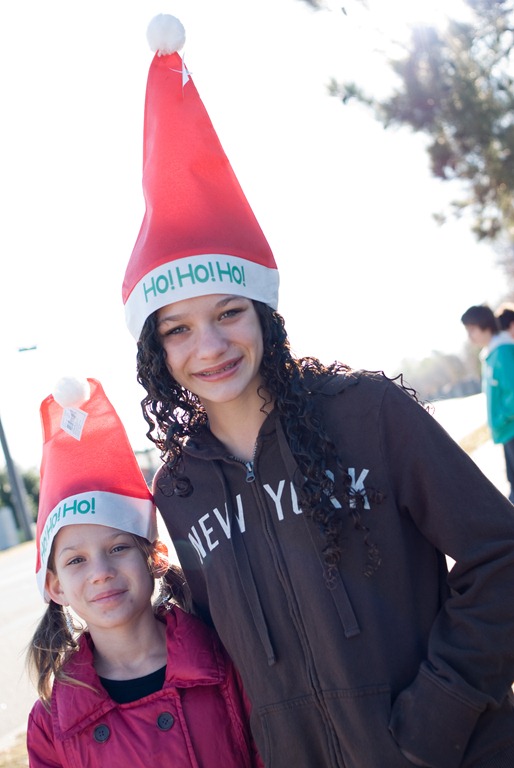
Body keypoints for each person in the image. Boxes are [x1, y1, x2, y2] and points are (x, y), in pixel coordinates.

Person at [121, 15, 514, 768]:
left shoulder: (368, 413)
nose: (210, 346)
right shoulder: (181, 488)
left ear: (263, 314)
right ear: (154, 349)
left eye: (229, 313)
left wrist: (438, 717)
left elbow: (500, 556)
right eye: (178, 329)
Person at [26, 376, 262, 768]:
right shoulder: (50, 723)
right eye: (76, 560)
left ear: (155, 557)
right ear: (55, 587)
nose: (100, 572)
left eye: (118, 548)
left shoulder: (229, 662)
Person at [461, 304, 514, 504]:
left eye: (471, 330)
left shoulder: (503, 351)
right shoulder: (491, 354)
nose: (469, 336)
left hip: (510, 428)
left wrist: (500, 418)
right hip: (507, 431)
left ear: (484, 326)